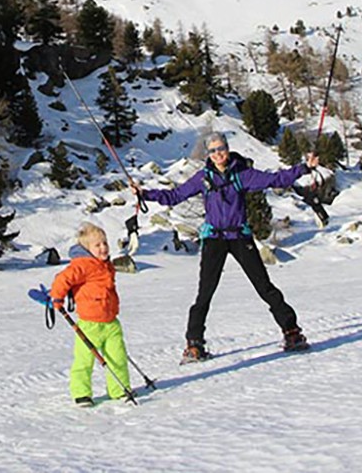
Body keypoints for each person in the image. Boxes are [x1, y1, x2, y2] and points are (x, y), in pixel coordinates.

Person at [131, 132, 317, 362]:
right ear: (208, 154)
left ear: (227, 149)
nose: (218, 154)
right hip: (214, 239)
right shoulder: (203, 178)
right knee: (205, 293)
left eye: (222, 148)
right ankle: (194, 344)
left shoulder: (242, 174)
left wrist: (303, 168)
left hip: (240, 236)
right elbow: (175, 195)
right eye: (213, 150)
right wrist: (145, 194)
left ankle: (292, 332)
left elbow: (275, 179)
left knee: (264, 287)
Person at [50, 222, 131, 407]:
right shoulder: (82, 265)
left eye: (105, 243)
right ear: (87, 249)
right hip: (89, 324)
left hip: (111, 322)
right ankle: (81, 393)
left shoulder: (106, 265)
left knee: (117, 358)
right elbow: (63, 279)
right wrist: (57, 297)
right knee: (84, 360)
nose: (103, 248)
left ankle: (120, 389)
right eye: (97, 245)